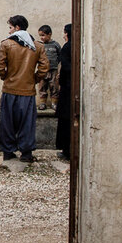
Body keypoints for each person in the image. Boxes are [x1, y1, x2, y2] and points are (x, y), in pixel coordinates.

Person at [0, 15, 49, 163]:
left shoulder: (6, 44)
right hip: (28, 90)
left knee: (7, 122)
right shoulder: (37, 46)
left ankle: (8, 151)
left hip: (10, 89)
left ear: (17, 27)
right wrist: (34, 79)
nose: (10, 31)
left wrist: (5, 76)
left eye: (11, 27)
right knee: (27, 123)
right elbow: (44, 67)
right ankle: (26, 152)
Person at [55, 24, 73, 161]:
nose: (63, 35)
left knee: (66, 122)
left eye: (65, 32)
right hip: (70, 89)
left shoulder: (67, 47)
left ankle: (67, 150)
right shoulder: (75, 45)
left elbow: (66, 68)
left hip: (67, 90)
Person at [35, 25, 61, 110]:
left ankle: (54, 103)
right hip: (42, 70)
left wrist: (58, 68)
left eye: (43, 35)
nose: (41, 38)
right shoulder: (39, 45)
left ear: (49, 34)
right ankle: (43, 103)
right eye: (40, 36)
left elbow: (60, 56)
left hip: (53, 69)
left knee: (54, 86)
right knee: (42, 86)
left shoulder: (55, 45)